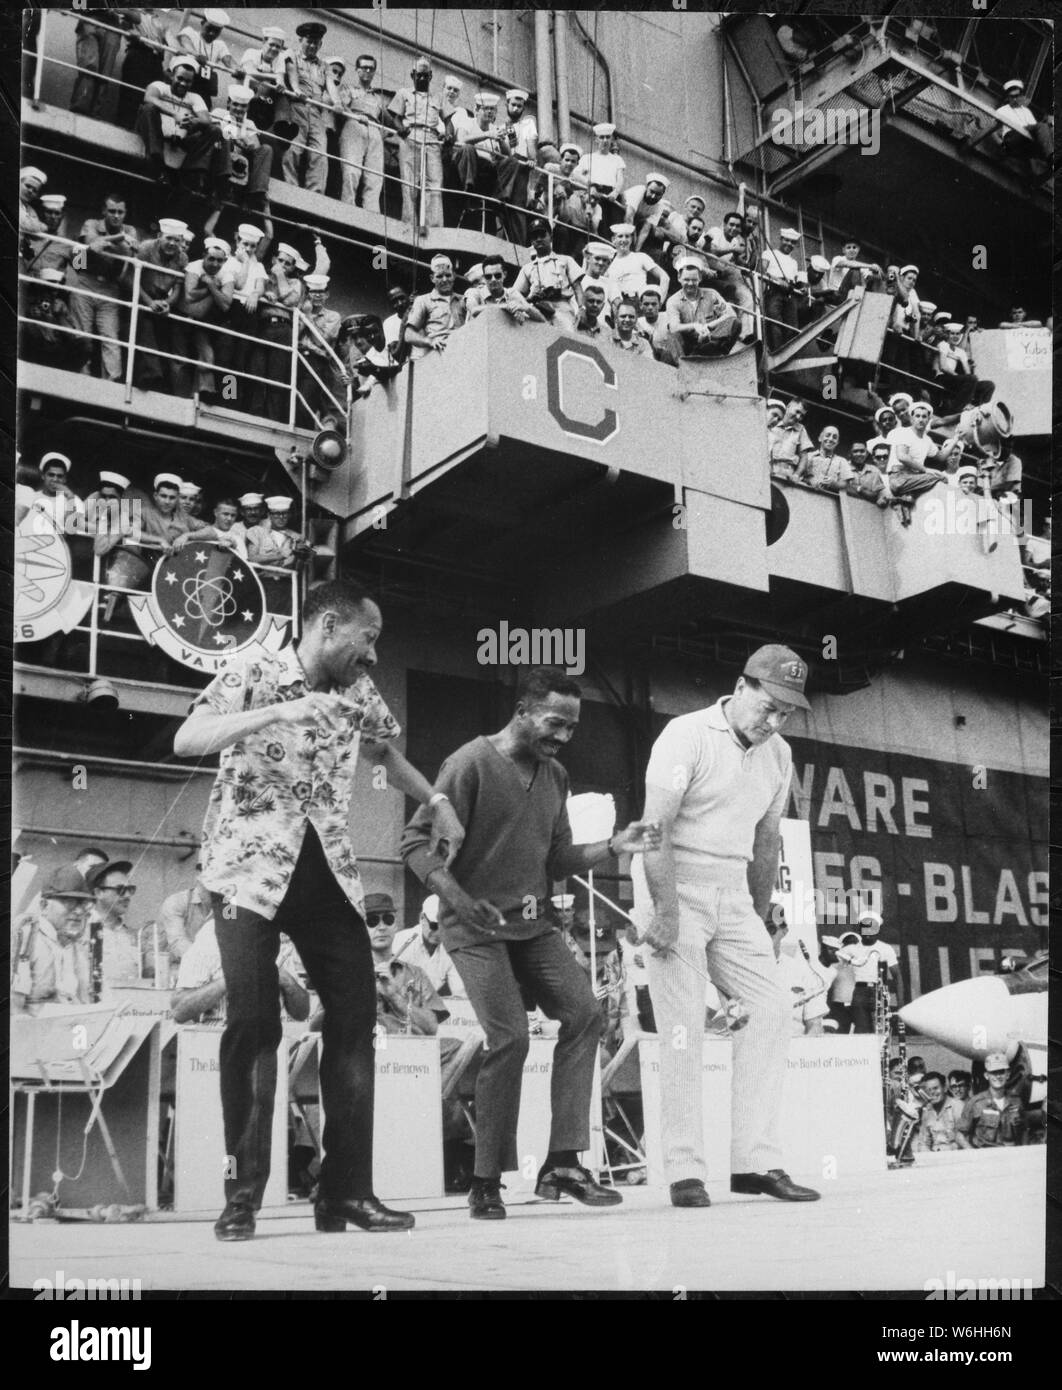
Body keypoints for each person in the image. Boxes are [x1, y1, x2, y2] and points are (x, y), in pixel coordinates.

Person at [172, 578, 466, 1240]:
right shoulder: (252, 668)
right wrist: (275, 715)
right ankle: (242, 1194)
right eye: (369, 640)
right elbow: (188, 738)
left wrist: (437, 802)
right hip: (247, 874)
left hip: (326, 874)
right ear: (329, 627)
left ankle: (346, 1195)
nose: (374, 656)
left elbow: (385, 750)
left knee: (356, 1025)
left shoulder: (359, 693)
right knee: (252, 1025)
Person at [401, 666, 660, 1221]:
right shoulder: (468, 763)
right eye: (554, 723)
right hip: (473, 927)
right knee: (510, 1037)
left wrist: (613, 846)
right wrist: (460, 900)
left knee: (586, 1014)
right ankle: (485, 1180)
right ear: (522, 711)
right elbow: (415, 844)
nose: (563, 736)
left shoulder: (556, 776)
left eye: (571, 727)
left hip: (532, 925)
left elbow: (558, 860)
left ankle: (562, 1164)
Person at [640, 644, 821, 1208]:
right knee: (682, 1029)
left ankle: (756, 1163)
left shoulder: (779, 755)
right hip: (673, 883)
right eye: (767, 707)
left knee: (770, 1010)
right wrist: (666, 912)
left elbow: (767, 841)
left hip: (733, 892)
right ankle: (685, 1170)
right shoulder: (686, 735)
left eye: (785, 714)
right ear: (740, 687)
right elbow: (654, 829)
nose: (773, 722)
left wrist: (762, 919)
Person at [136, 54, 231, 205]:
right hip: (156, 135)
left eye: (188, 81)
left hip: (180, 138)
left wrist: (193, 121)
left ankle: (191, 169)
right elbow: (149, 98)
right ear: (172, 75)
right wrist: (175, 114)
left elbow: (206, 119)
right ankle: (157, 160)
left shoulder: (194, 97)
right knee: (148, 109)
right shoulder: (160, 86)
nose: (183, 83)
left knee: (215, 130)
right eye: (180, 78)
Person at [172, 920, 308, 1025]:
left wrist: (286, 980)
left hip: (269, 1042)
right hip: (218, 1039)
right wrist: (231, 979)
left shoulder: (278, 937)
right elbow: (179, 1011)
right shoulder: (212, 935)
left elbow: (302, 1013)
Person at [70, 194, 140, 384]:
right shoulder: (91, 223)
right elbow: (91, 244)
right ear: (104, 211)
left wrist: (109, 243)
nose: (116, 216)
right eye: (112, 211)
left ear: (125, 213)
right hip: (86, 281)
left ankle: (110, 382)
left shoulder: (131, 230)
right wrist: (120, 238)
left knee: (110, 336)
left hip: (110, 288)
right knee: (81, 332)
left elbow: (129, 250)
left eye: (120, 212)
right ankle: (80, 376)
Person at [11, 866, 94, 1015]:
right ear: (43, 906)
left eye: (83, 904)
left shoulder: (79, 946)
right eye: (70, 902)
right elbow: (13, 1011)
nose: (79, 911)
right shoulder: (25, 939)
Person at [130, 216, 188, 392]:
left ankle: (169, 386)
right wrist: (149, 302)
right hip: (139, 298)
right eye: (168, 238)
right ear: (159, 236)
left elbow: (178, 288)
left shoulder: (182, 258)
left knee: (173, 336)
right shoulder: (146, 249)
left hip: (162, 303)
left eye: (176, 240)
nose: (172, 243)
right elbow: (130, 279)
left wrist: (167, 303)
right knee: (145, 326)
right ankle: (149, 376)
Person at [279, 21, 337, 194]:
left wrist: (337, 103)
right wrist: (296, 90)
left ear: (320, 44)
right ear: (300, 40)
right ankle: (290, 186)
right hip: (297, 106)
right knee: (294, 148)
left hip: (316, 112)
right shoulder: (292, 55)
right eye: (308, 41)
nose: (312, 45)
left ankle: (315, 192)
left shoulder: (324, 66)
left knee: (320, 154)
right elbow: (292, 73)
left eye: (316, 42)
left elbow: (331, 85)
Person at [174, 236, 235, 399]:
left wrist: (210, 285)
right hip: (186, 318)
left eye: (220, 261)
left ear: (225, 261)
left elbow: (226, 305)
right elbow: (189, 296)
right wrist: (215, 289)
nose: (215, 264)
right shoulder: (194, 267)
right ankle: (183, 397)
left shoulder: (226, 274)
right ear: (203, 256)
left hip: (212, 322)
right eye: (211, 259)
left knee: (213, 358)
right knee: (182, 360)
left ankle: (216, 395)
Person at [388, 56, 445, 227]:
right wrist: (400, 128)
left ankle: (432, 226)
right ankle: (409, 223)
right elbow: (394, 116)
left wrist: (448, 134)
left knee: (434, 183)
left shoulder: (437, 97)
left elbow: (448, 121)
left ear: (431, 76)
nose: (421, 78)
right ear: (413, 75)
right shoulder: (404, 93)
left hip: (432, 139)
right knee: (409, 182)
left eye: (425, 75)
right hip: (411, 136)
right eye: (418, 75)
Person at [886, 400, 960, 522]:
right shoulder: (903, 433)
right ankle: (905, 498)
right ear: (912, 418)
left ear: (928, 419)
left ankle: (904, 500)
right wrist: (926, 470)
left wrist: (956, 438)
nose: (921, 419)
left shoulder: (927, 440)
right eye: (917, 416)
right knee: (938, 477)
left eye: (924, 416)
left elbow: (941, 456)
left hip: (913, 478)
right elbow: (902, 456)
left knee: (943, 478)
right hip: (899, 477)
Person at [512, 219, 584, 332]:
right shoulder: (527, 268)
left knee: (567, 337)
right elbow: (516, 294)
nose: (539, 239)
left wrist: (581, 308)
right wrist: (529, 298)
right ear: (531, 241)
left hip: (561, 306)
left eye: (542, 235)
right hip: (538, 308)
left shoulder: (565, 260)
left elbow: (577, 287)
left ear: (550, 236)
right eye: (535, 237)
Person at [336, 53, 385, 213]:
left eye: (371, 69)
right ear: (357, 70)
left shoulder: (377, 97)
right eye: (364, 68)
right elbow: (341, 106)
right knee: (351, 170)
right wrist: (356, 116)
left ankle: (371, 212)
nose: (368, 71)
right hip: (354, 123)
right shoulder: (348, 88)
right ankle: (348, 207)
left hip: (374, 130)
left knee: (375, 176)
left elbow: (389, 118)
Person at [391, 893, 466, 997]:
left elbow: (461, 993)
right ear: (422, 918)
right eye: (434, 926)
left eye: (444, 928)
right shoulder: (400, 943)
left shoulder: (453, 949)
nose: (439, 933)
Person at [86, 859, 141, 993]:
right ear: (98, 893)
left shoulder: (131, 934)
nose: (128, 895)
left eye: (130, 889)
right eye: (120, 890)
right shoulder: (83, 931)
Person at [666, 258, 739, 359]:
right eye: (686, 279)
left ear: (700, 278)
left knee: (735, 323)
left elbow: (731, 314)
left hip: (712, 339)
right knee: (671, 332)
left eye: (694, 280)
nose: (690, 283)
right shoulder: (673, 301)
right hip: (689, 344)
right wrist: (695, 326)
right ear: (679, 278)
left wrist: (708, 327)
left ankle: (711, 351)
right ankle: (686, 361)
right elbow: (674, 327)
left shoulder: (712, 294)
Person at [845, 910, 902, 1033]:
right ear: (859, 929)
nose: (868, 933)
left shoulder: (885, 948)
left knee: (881, 1031)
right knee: (862, 1032)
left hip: (879, 992)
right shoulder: (851, 948)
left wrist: (901, 1006)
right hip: (859, 992)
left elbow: (898, 977)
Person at [957, 1053, 1027, 1148]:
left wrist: (1024, 1152)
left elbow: (1024, 1131)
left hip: (1011, 1155)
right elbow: (960, 1135)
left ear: (1008, 1074)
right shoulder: (976, 1103)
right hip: (986, 1156)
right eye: (993, 1072)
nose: (998, 1076)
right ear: (986, 1075)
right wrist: (973, 1154)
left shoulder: (1016, 1102)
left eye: (1001, 1072)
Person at [404, 255, 468, 358]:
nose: (444, 280)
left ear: (454, 275)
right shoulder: (423, 300)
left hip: (462, 354)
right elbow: (408, 334)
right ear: (432, 278)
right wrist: (429, 341)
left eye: (448, 275)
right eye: (439, 276)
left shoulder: (463, 300)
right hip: (437, 356)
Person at [70, 10, 125, 121]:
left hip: (112, 29)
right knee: (90, 67)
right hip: (90, 22)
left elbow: (137, 17)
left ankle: (95, 113)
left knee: (105, 74)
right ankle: (80, 109)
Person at [464, 254, 544, 324]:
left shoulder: (511, 293)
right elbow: (474, 310)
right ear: (484, 277)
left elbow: (541, 319)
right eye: (488, 277)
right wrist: (505, 307)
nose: (493, 279)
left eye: (497, 275)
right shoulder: (474, 292)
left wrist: (523, 308)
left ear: (504, 275)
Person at [761, 228, 802, 351]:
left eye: (792, 242)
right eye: (787, 240)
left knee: (792, 327)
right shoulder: (768, 253)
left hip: (789, 292)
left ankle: (788, 355)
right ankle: (776, 352)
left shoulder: (794, 262)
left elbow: (795, 280)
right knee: (775, 322)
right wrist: (778, 281)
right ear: (781, 239)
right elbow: (761, 271)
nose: (789, 244)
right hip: (774, 290)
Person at [994, 78, 1053, 163]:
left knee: (1049, 129)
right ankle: (1051, 157)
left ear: (1021, 96)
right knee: (1042, 126)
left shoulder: (1026, 111)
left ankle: (1052, 158)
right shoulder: (1002, 110)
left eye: (1017, 96)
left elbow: (1036, 129)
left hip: (1025, 142)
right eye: (1012, 97)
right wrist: (1000, 144)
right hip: (1011, 140)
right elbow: (993, 130)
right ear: (1008, 97)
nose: (1015, 99)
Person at [911, 1072, 965, 1152]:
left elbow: (964, 1140)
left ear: (945, 1088)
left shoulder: (957, 1106)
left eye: (935, 1088)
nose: (932, 1092)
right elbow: (923, 1143)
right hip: (935, 1157)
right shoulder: (927, 1111)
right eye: (928, 1090)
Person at [768, 398, 813, 483]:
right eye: (797, 412)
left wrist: (797, 474)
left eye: (802, 415)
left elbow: (804, 457)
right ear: (788, 406)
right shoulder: (773, 421)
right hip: (766, 469)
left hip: (786, 476)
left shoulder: (801, 429)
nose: (798, 417)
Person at [799, 425, 852, 492]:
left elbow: (845, 484)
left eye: (834, 437)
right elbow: (797, 474)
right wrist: (809, 480)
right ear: (820, 438)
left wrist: (833, 483)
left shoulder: (842, 461)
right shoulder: (807, 457)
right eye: (827, 435)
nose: (830, 439)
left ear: (837, 443)